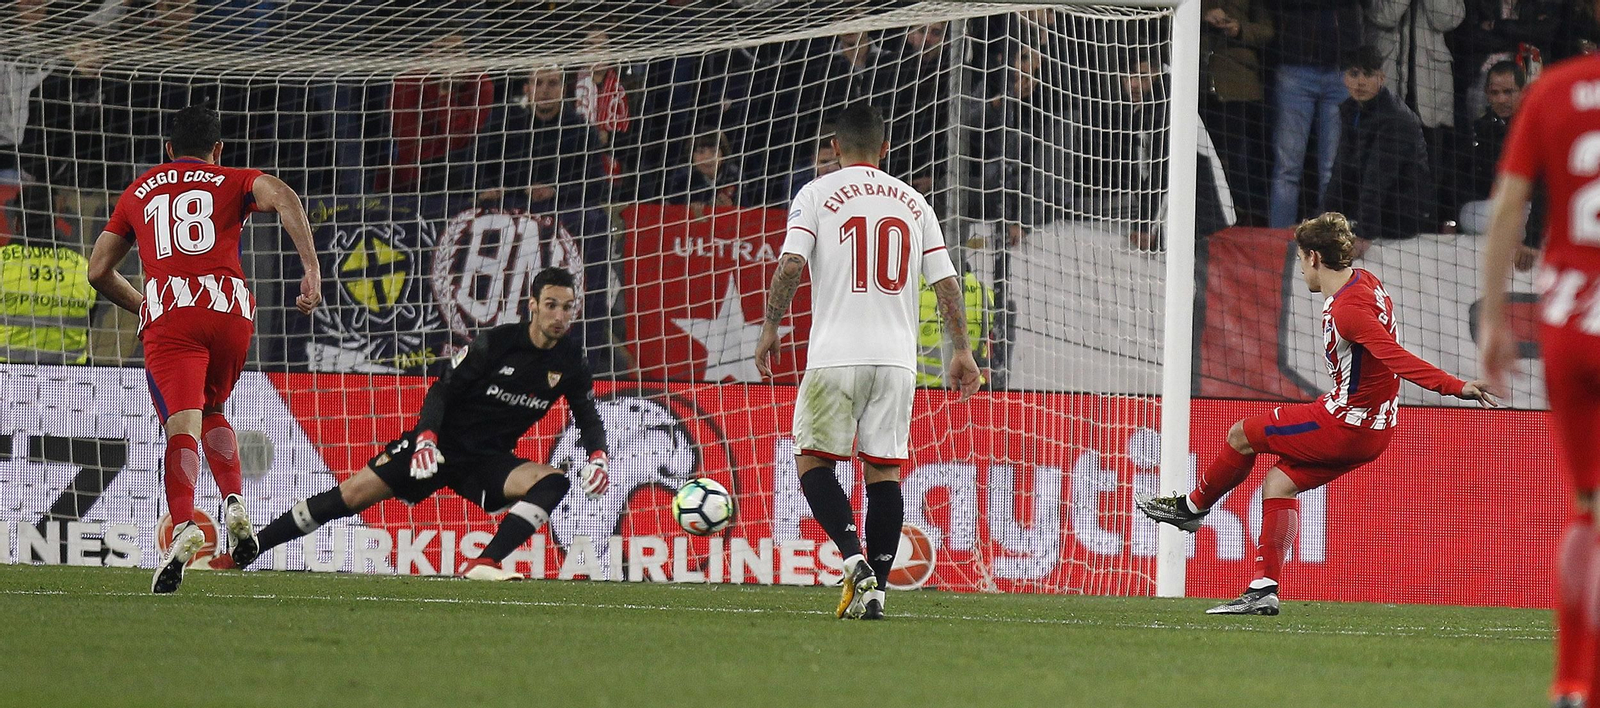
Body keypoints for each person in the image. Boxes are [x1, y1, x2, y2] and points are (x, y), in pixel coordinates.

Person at [1139, 212, 1496, 615]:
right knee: (1278, 484)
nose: (1301, 270)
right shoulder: (1367, 283)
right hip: (1371, 428)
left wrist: (1455, 386)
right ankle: (1263, 590)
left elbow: (1394, 356)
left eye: (1300, 259)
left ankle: (1191, 508)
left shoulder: (1348, 310)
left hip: (1346, 424)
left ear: (1312, 257)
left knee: (1242, 434)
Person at [234, 268, 611, 581]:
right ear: (532, 306)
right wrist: (426, 439)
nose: (559, 316)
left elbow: (587, 414)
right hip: (434, 448)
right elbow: (442, 391)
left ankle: (485, 561)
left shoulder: (570, 360)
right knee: (347, 498)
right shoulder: (496, 344)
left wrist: (599, 455)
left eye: (566, 307)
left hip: (485, 462)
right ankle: (248, 550)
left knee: (553, 481)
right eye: (550, 306)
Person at [754, 103, 981, 620]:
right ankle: (876, 588)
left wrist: (771, 324)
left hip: (835, 353)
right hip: (897, 361)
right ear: (885, 149)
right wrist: (962, 350)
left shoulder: (815, 192)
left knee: (812, 460)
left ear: (834, 147)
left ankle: (855, 559)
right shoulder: (915, 201)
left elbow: (791, 263)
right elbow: (946, 282)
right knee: (884, 473)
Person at [85, 104, 323, 593]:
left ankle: (184, 526)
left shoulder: (139, 190)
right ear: (217, 150)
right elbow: (282, 195)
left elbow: (97, 271)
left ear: (168, 149)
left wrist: (147, 305)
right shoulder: (232, 179)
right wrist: (312, 269)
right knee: (213, 409)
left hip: (173, 314)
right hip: (232, 311)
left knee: (182, 423)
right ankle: (234, 500)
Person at [1479, 41, 1600, 708]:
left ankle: (1571, 682)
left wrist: (1496, 319)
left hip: (1568, 322)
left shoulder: (1553, 89)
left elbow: (1506, 208)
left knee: (1587, 508)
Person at [1322, 45, 1434, 258]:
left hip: (1402, 216)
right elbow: (1341, 172)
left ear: (1381, 78)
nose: (1360, 82)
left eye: (1368, 74)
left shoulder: (1395, 119)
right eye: (1354, 74)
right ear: (1344, 77)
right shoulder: (1352, 110)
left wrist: (1363, 235)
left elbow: (1378, 180)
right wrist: (1321, 222)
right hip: (1374, 210)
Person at [0, 185, 95, 364]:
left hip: (6, 380)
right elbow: (88, 326)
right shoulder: (82, 269)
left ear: (17, 220)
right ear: (54, 219)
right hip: (68, 380)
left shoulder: (2, 264)